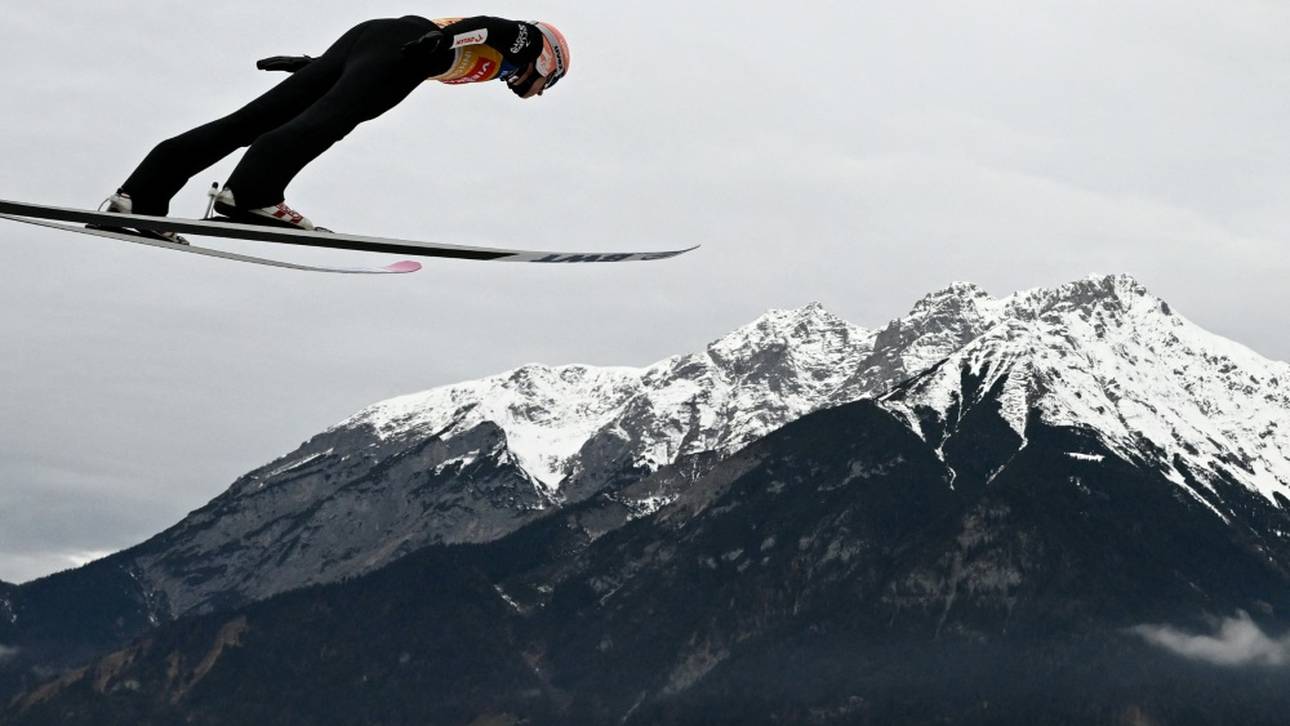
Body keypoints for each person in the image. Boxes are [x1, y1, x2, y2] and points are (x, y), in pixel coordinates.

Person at [103, 15, 570, 242]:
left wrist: (316, 68)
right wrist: (446, 40)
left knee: (250, 121)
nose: (537, 90)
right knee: (328, 123)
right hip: (401, 50)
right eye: (548, 81)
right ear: (548, 60)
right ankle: (251, 196)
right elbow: (488, 26)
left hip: (372, 40)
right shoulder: (523, 39)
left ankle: (140, 195)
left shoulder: (497, 64)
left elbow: (381, 55)